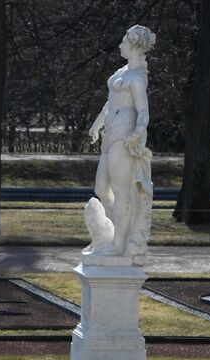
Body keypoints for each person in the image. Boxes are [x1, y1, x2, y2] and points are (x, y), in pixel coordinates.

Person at [85, 24, 157, 260]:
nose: (120, 44)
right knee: (101, 190)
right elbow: (110, 103)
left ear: (135, 45)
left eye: (124, 40)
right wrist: (97, 125)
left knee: (121, 192)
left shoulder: (137, 78)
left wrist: (137, 134)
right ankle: (115, 235)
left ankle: (118, 245)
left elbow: (143, 112)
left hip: (123, 137)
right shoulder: (122, 72)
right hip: (110, 134)